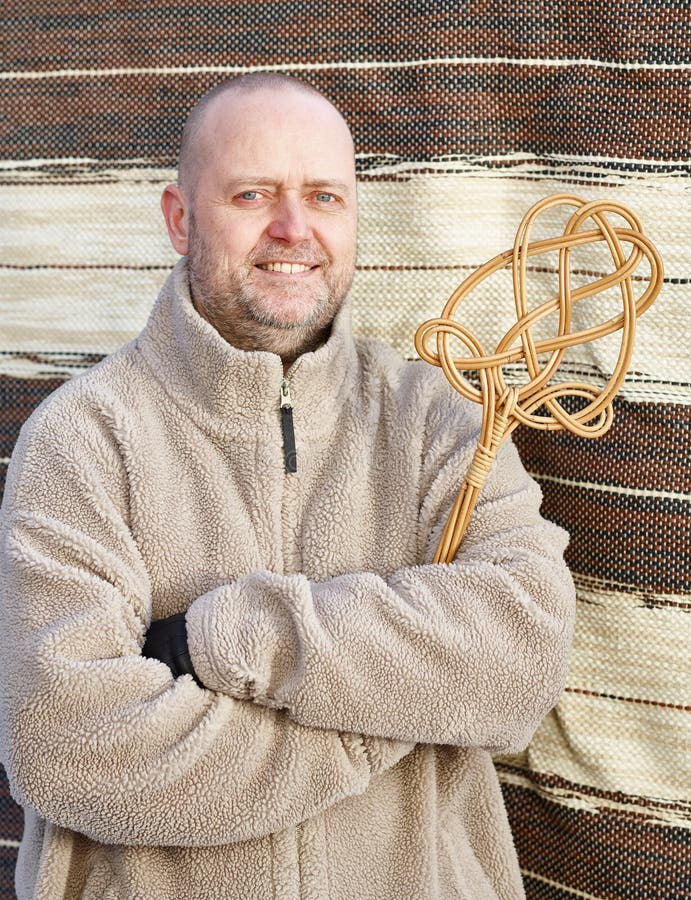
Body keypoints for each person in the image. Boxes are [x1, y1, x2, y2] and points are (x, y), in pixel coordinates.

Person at [0, 73, 575, 899]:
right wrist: (401, 713)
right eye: (252, 194)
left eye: (324, 197)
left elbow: (524, 654)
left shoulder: (435, 421)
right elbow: (65, 746)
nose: (293, 228)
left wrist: (225, 640)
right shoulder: (83, 439)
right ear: (179, 218)